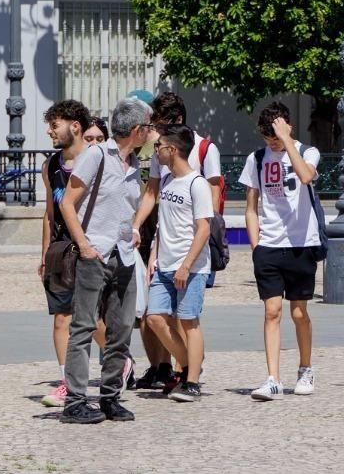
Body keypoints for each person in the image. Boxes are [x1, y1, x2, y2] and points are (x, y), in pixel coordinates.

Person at [57, 97, 152, 423]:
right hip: (94, 254)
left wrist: (132, 230)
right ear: (137, 130)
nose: (151, 133)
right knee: (83, 327)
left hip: (124, 255)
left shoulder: (133, 164)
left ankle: (110, 397)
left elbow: (122, 208)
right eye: (148, 127)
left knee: (121, 329)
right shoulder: (96, 155)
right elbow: (67, 203)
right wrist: (83, 245)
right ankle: (75, 402)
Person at [130, 93, 223, 391]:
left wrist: (195, 252)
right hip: (164, 238)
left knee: (186, 317)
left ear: (177, 121)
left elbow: (211, 203)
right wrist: (138, 228)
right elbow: (151, 193)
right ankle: (179, 366)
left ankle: (188, 374)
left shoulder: (204, 151)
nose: (154, 133)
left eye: (160, 125)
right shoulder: (162, 158)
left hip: (191, 246)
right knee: (155, 315)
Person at [241, 103, 324, 401]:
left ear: (288, 127)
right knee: (272, 311)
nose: (272, 143)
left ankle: (305, 368)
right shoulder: (256, 158)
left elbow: (305, 176)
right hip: (270, 245)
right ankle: (273, 378)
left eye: (275, 137)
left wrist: (287, 141)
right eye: (268, 138)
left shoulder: (307, 152)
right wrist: (256, 246)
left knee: (299, 312)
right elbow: (251, 207)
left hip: (301, 243)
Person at [140, 124, 213, 403]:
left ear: (172, 149)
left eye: (159, 147)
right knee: (155, 317)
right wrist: (154, 255)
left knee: (188, 321)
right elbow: (164, 224)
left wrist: (186, 265)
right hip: (164, 263)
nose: (155, 151)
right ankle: (190, 364)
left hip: (190, 267)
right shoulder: (168, 180)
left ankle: (191, 381)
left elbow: (203, 228)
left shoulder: (197, 184)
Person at [38, 100, 100, 409]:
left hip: (93, 248)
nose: (50, 131)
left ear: (75, 127)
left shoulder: (97, 161)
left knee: (94, 320)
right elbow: (50, 214)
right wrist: (44, 254)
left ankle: (119, 359)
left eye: (55, 125)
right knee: (62, 318)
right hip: (62, 251)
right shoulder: (50, 166)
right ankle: (68, 382)